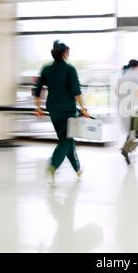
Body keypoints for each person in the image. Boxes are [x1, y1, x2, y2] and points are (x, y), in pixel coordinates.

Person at [34, 40, 90, 183]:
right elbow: (76, 92)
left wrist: (38, 107)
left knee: (67, 140)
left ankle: (77, 169)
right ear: (65, 53)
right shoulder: (70, 69)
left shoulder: (46, 69)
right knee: (66, 140)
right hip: (68, 111)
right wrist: (84, 108)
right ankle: (52, 166)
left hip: (53, 109)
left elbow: (37, 90)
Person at [115, 59, 138, 165]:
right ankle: (125, 149)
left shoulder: (122, 77)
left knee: (131, 131)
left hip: (121, 107)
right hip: (133, 107)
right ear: (137, 67)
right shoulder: (137, 77)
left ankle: (125, 149)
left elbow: (116, 92)